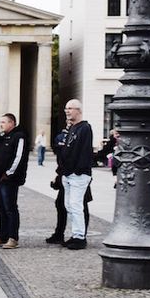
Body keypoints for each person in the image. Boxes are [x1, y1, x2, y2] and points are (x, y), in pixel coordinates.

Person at [54, 100, 94, 248]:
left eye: (70, 108)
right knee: (69, 205)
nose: (67, 111)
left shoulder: (84, 128)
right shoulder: (72, 128)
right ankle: (75, 233)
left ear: (79, 110)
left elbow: (84, 151)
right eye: (66, 108)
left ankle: (79, 237)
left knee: (76, 206)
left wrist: (77, 170)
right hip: (68, 173)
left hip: (78, 174)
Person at [0, 113, 30, 249]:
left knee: (10, 207)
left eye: (4, 122)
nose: (1, 124)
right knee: (0, 207)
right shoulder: (0, 137)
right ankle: (3, 236)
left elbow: (19, 157)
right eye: (0, 122)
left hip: (9, 179)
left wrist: (8, 173)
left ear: (12, 123)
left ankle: (13, 237)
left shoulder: (19, 136)